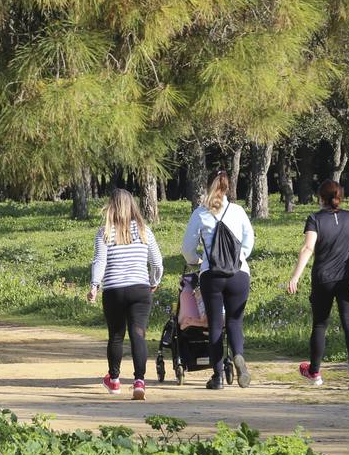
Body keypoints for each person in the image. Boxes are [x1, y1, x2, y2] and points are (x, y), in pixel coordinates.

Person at [286, 180, 349, 390]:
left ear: (320, 198)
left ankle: (314, 372)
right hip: (348, 279)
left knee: (320, 324)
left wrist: (295, 277)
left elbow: (308, 248)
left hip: (323, 278)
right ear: (340, 196)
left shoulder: (315, 219)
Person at [87, 188, 164, 400]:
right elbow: (157, 262)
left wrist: (94, 285)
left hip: (113, 291)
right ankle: (139, 381)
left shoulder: (104, 232)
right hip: (140, 289)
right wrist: (154, 281)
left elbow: (100, 261)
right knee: (138, 334)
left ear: (111, 206)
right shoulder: (144, 230)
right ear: (133, 206)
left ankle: (114, 380)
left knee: (116, 336)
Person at [181, 171, 254, 389]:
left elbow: (187, 249)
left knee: (214, 325)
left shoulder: (200, 213)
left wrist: (198, 260)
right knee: (234, 321)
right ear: (229, 187)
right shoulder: (238, 211)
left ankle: (218, 376)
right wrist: (238, 258)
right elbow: (249, 242)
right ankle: (238, 355)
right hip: (239, 273)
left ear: (207, 185)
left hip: (211, 275)